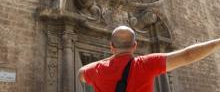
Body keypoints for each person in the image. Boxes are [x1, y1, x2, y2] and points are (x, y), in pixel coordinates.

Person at [78, 25, 220, 92]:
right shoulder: (146, 64)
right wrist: (217, 42)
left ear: (111, 46)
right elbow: (187, 55)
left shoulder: (96, 69)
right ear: (134, 45)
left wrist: (111, 57)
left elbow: (81, 73)